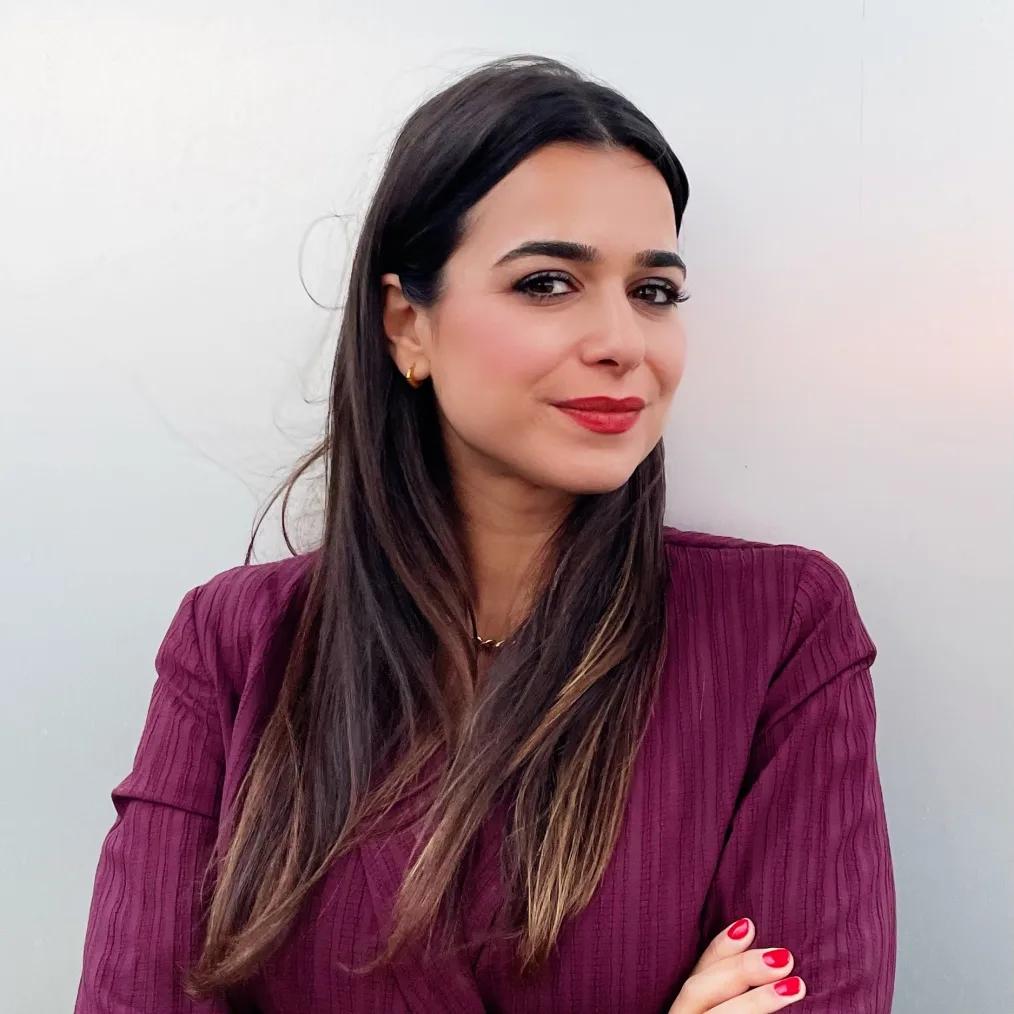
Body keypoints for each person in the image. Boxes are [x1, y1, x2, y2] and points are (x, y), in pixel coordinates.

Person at [75, 55, 896, 1013]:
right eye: (548, 283)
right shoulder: (234, 646)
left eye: (655, 291)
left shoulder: (780, 631)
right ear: (406, 327)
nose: (623, 341)